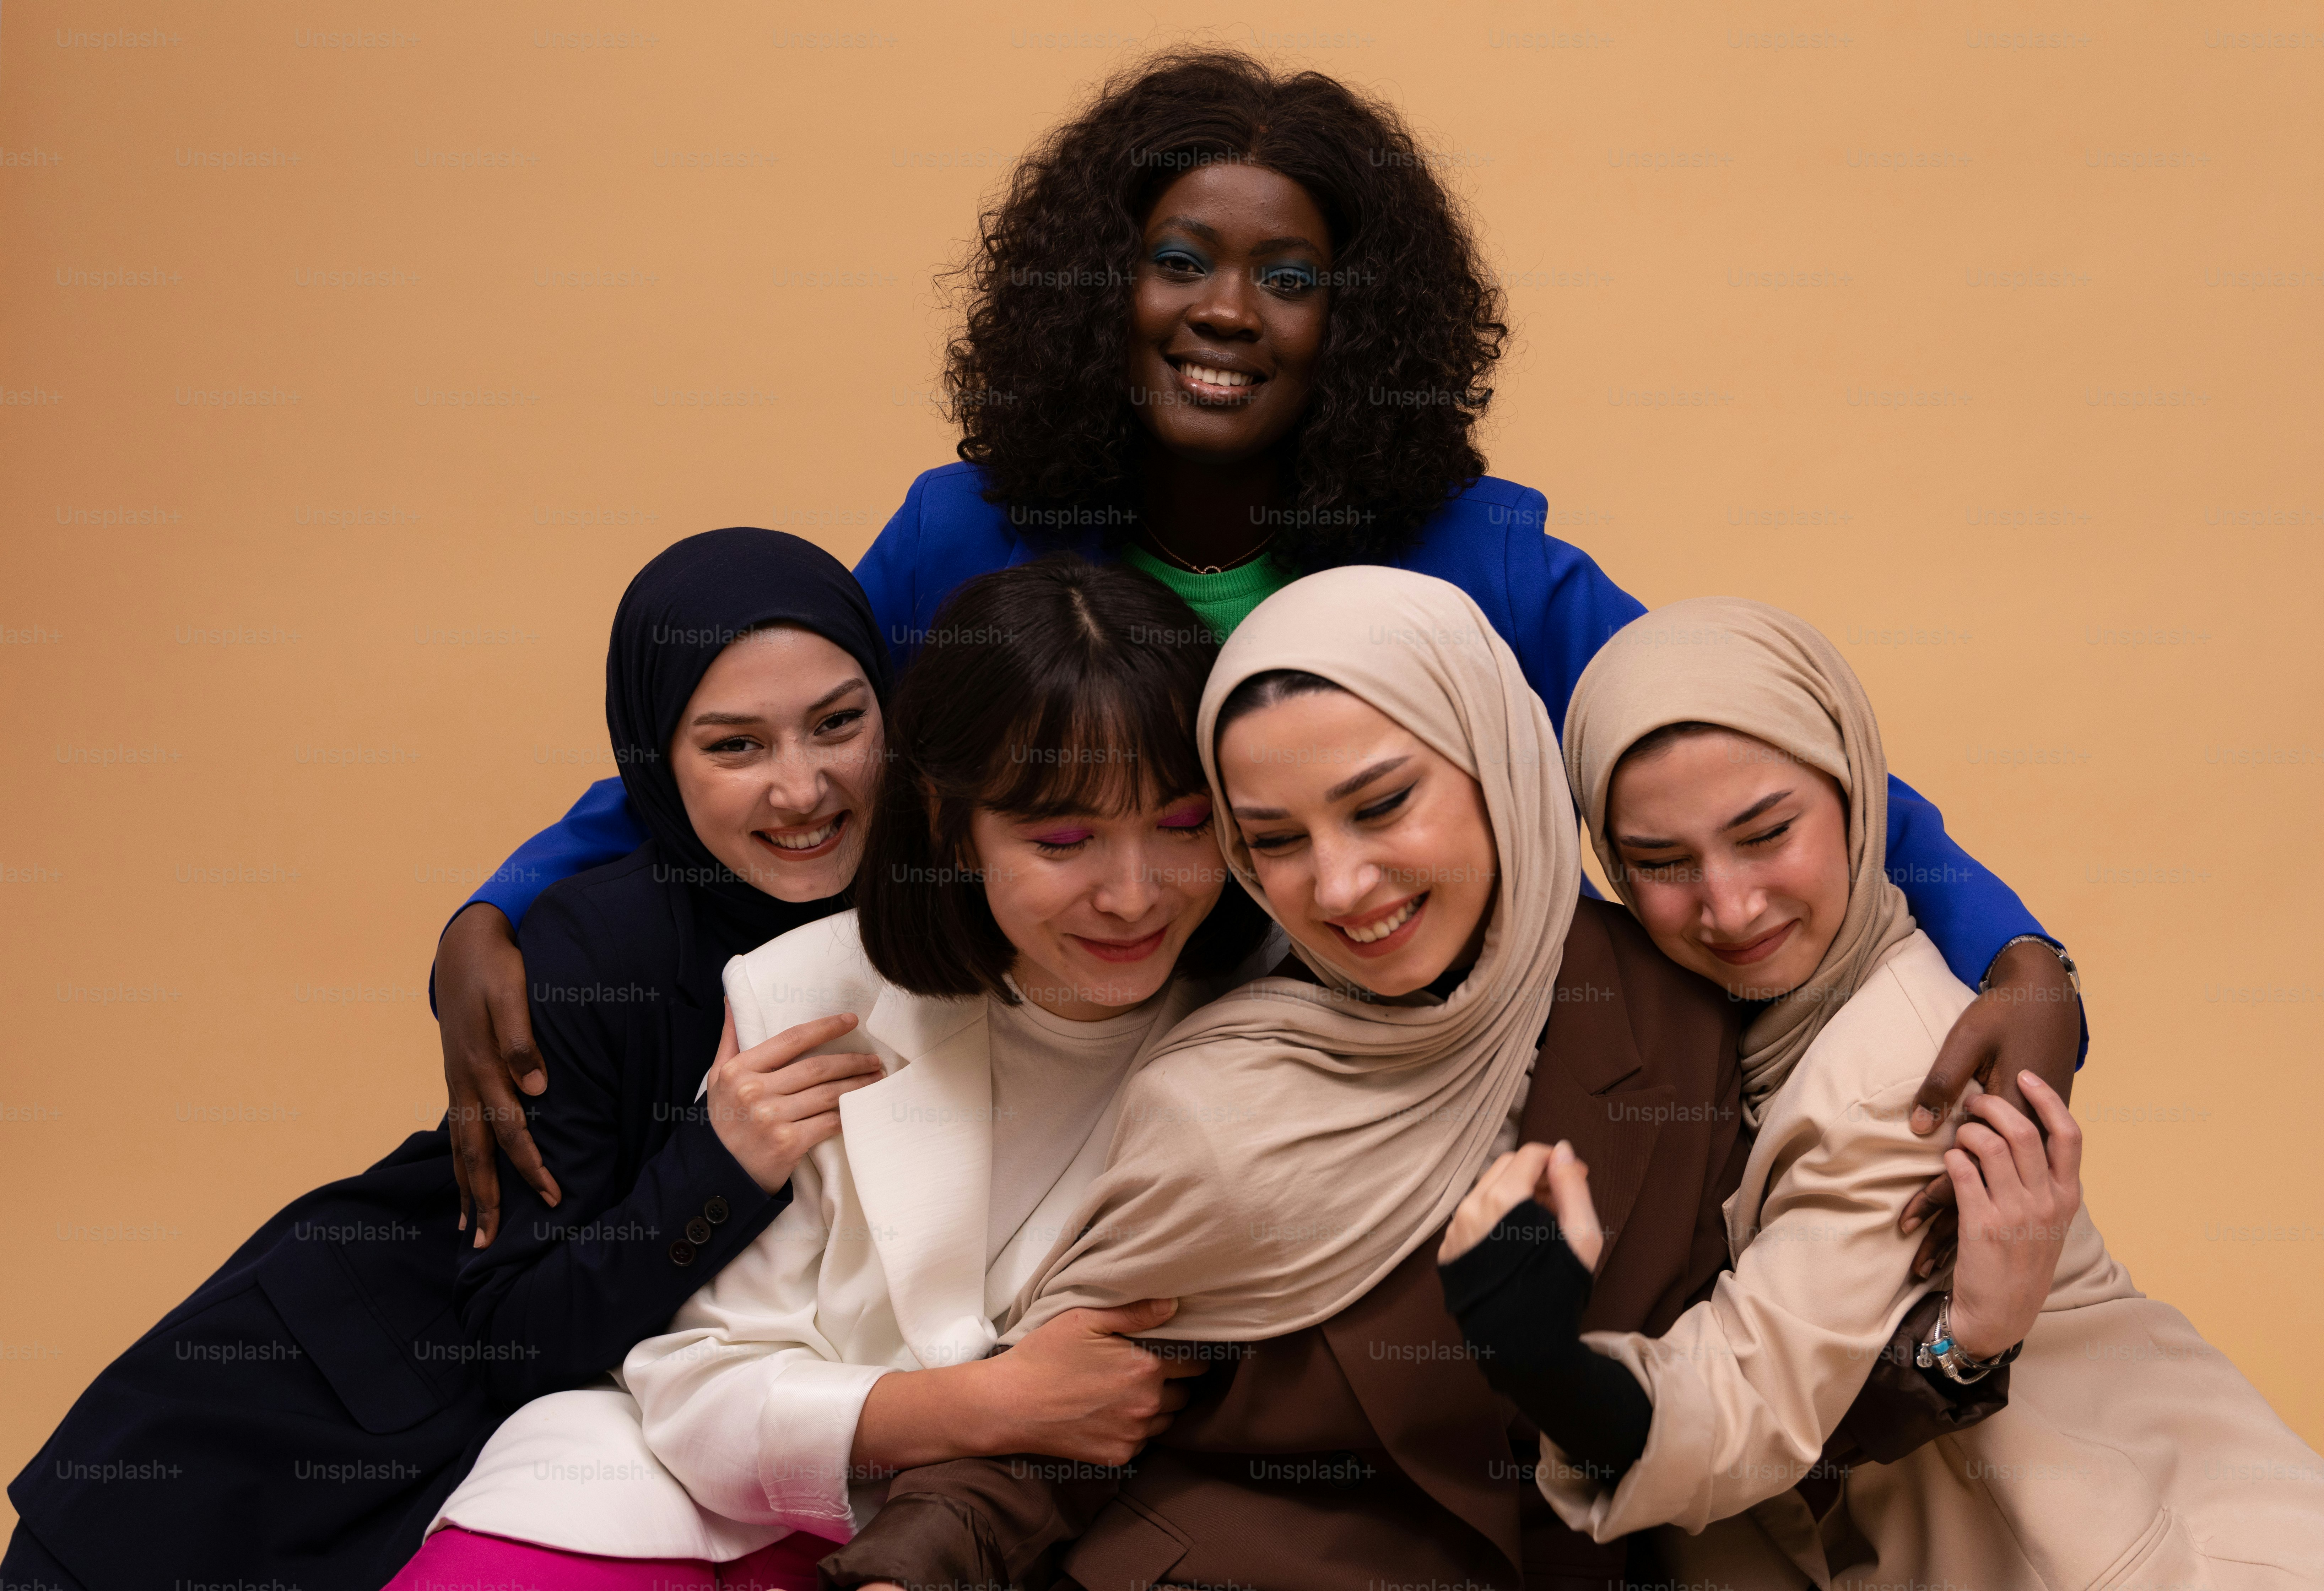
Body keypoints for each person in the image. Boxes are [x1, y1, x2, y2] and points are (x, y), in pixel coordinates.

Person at [432, 52, 2082, 1268]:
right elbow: (786, 737)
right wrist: (499, 906)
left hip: (1375, 1086)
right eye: (1181, 262)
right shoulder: (968, 531)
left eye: (1289, 281)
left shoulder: (1479, 556)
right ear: (1100, 286)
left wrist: (2019, 954)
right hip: (1062, 1083)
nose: (1227, 311)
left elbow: (1736, 750)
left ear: (1356, 324)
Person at [813, 568, 2009, 1591]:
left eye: (1382, 805)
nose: (1340, 888)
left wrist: (1964, 1343)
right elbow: (1069, 1415)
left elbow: (1761, 1410)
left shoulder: (1682, 1016)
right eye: (1274, 840)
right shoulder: (1224, 1080)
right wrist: (905, 1573)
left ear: (1494, 762)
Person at [1, 530, 897, 1589]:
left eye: (838, 724)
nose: (801, 789)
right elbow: (518, 1331)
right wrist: (719, 1163)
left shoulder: (953, 917)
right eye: (735, 747)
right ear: (656, 761)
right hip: (351, 1394)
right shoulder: (594, 945)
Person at [379, 556, 1276, 1585]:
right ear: (949, 826)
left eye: (1182, 824)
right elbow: (692, 1388)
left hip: (1013, 1531)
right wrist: (983, 1403)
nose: (1133, 895)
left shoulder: (1281, 1010)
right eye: (1065, 839)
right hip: (675, 1488)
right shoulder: (794, 987)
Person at [1439, 597, 2324, 1590]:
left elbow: (1753, 1401)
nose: (1730, 905)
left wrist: (1546, 1366)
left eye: (1767, 833)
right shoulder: (1730, 1026)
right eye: (1661, 862)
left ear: (1858, 798)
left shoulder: (1907, 1071)